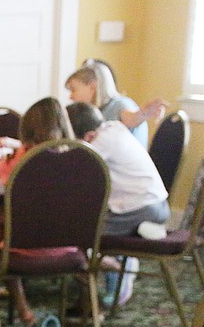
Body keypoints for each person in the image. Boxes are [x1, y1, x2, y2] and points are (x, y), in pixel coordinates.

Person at [0, 96, 75, 327]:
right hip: (70, 248)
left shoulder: (22, 157)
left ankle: (22, 310)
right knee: (6, 220)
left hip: (24, 250)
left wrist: (7, 159)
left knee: (1, 227)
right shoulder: (80, 157)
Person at [67, 101, 171, 306]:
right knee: (90, 223)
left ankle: (118, 270)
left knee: (77, 234)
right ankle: (130, 243)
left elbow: (71, 174)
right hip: (157, 205)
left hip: (138, 208)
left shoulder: (98, 145)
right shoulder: (112, 128)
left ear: (88, 136)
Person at [65, 61, 167, 146]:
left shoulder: (121, 104)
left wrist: (143, 113)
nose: (71, 96)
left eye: (74, 90)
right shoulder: (99, 111)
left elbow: (132, 120)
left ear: (92, 87)